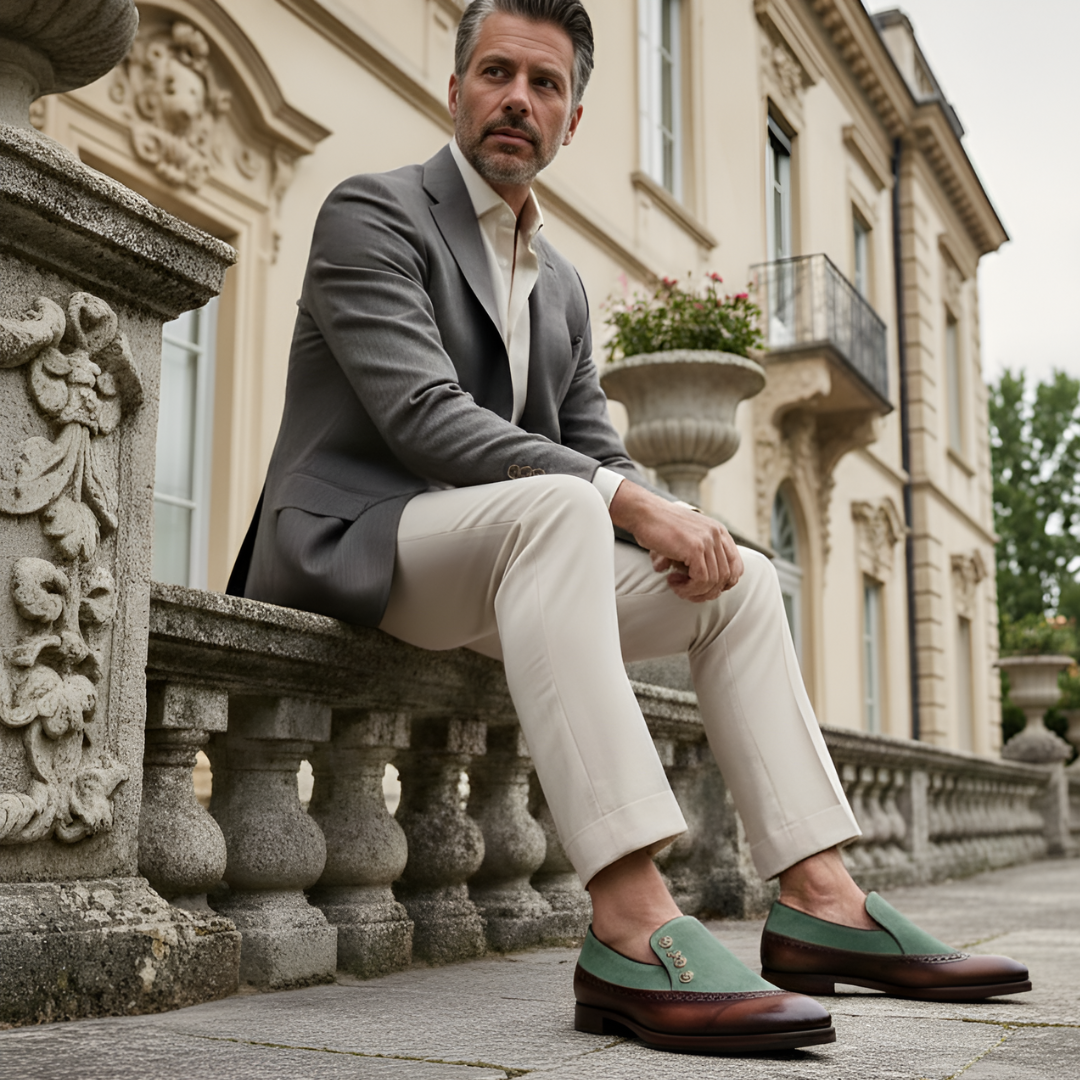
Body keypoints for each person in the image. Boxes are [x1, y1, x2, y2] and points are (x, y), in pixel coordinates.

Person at [230, 0, 1030, 1054]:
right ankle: (629, 915)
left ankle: (820, 899)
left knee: (739, 576)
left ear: (573, 119)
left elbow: (594, 445)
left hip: (501, 559)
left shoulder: (559, 284)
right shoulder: (372, 214)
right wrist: (627, 500)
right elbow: (423, 418)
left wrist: (671, 515)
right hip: (356, 544)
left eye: (547, 84)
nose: (519, 98)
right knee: (573, 504)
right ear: (456, 87)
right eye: (498, 73)